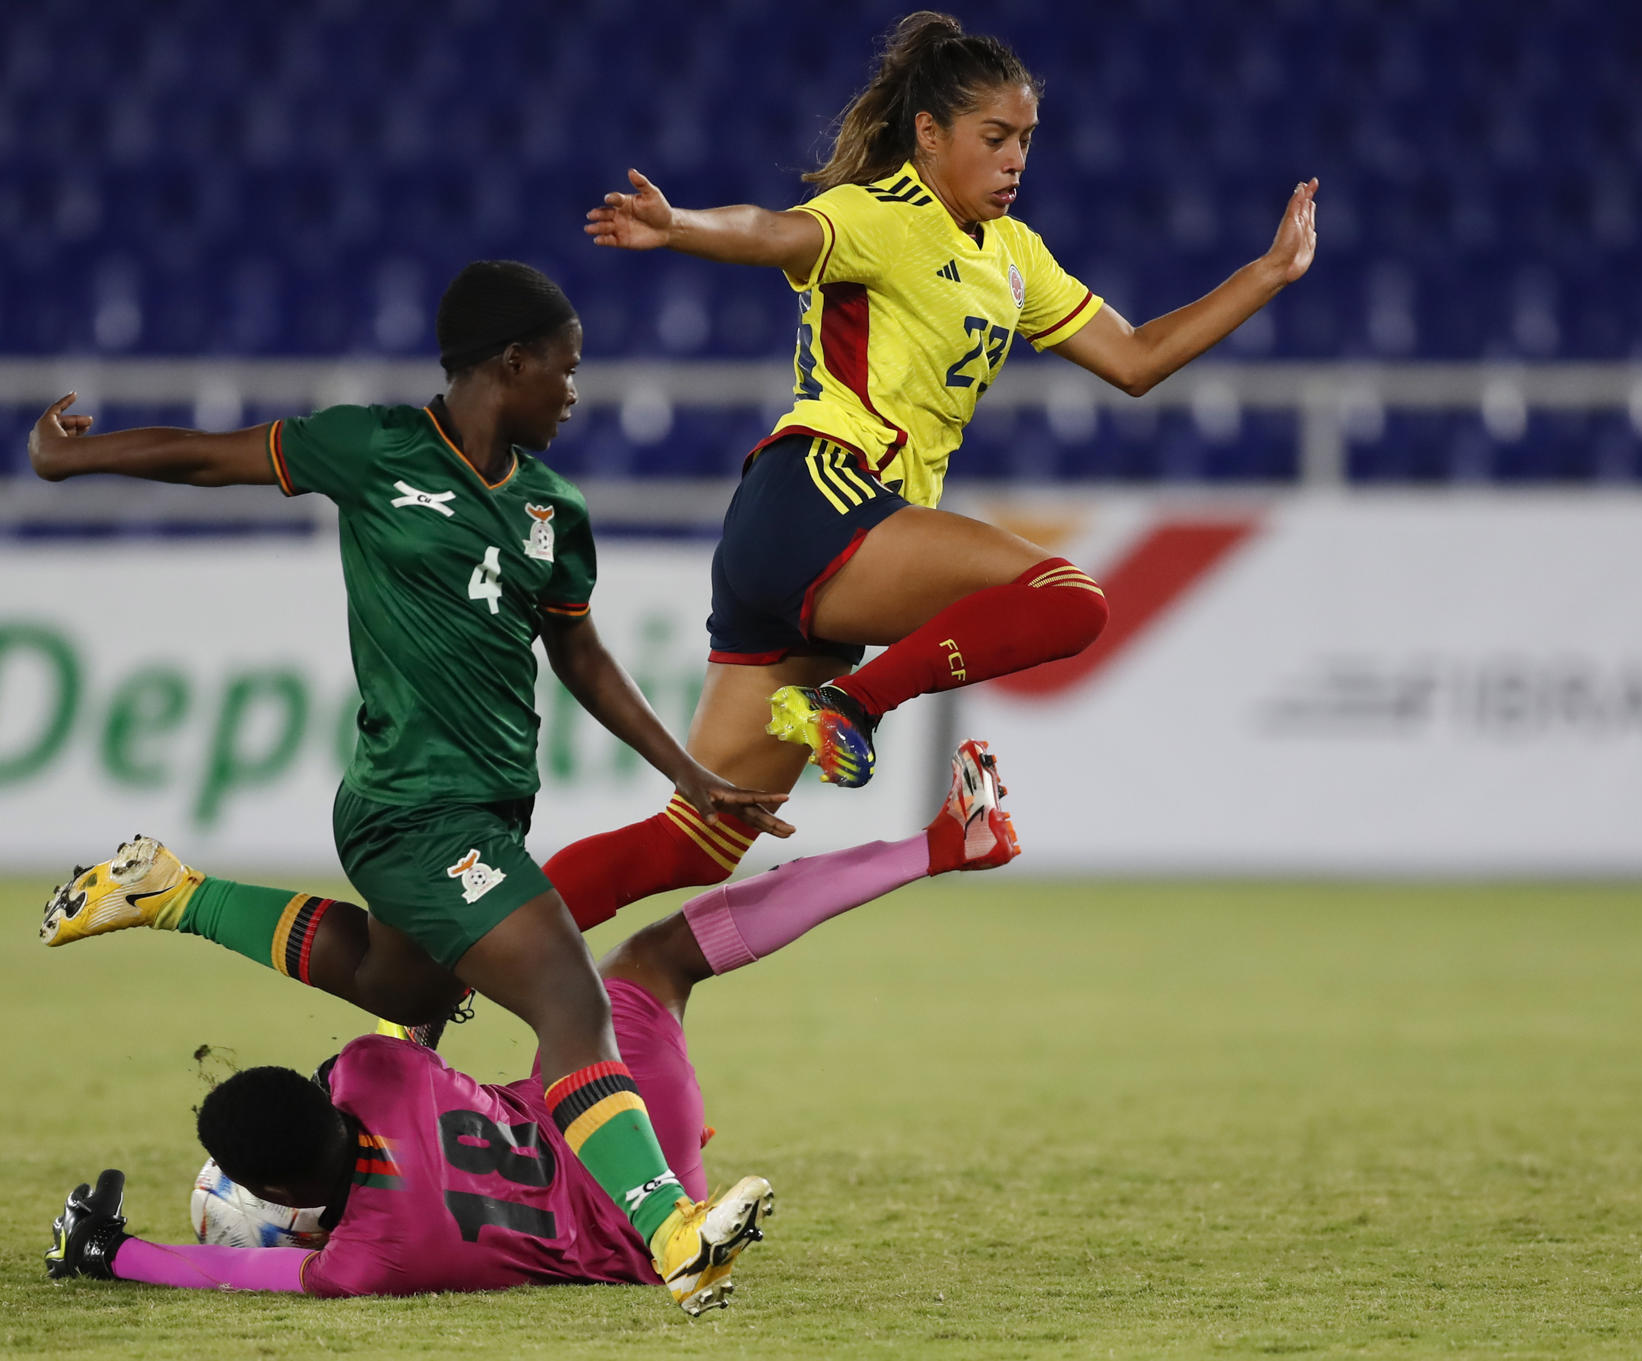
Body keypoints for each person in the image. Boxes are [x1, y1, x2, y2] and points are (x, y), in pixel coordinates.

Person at [27, 259, 796, 1313]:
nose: (577, 390)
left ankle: (168, 889)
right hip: (409, 810)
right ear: (510, 364)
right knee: (569, 995)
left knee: (408, 991)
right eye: (566, 370)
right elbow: (215, 458)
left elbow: (580, 658)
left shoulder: (554, 511)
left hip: (481, 810)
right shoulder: (376, 446)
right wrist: (72, 458)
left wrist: (687, 770)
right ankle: (670, 1229)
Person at [548, 9, 1317, 927]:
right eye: (995, 138)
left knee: (695, 842)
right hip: (822, 493)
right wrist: (681, 227)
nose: (1015, 160)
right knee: (1069, 597)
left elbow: (1137, 360)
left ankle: (432, 977)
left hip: (805, 537)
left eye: (1026, 140)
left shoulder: (1015, 255)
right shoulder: (884, 213)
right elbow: (774, 230)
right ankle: (855, 705)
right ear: (930, 133)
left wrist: (1266, 275)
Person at [42, 741, 1021, 1312]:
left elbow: (223, 1266)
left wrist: (108, 1251)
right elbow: (388, 1034)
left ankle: (181, 896)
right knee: (648, 957)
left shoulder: (363, 1260)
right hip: (606, 1117)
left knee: (523, 959)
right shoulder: (374, 1071)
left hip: (626, 1223)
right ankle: (939, 843)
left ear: (289, 1196)